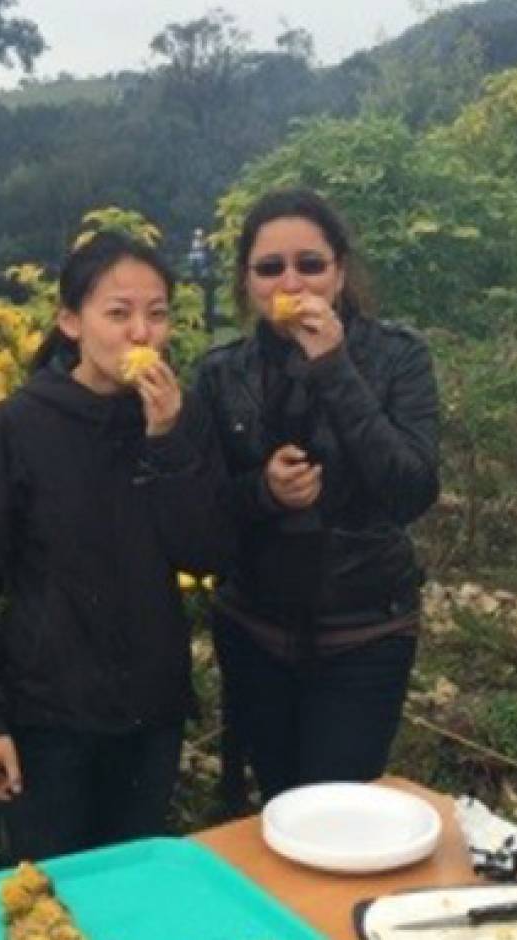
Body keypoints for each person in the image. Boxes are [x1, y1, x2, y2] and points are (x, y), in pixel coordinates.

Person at [0, 231, 231, 860]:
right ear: (71, 321)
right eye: (118, 312)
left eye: (157, 314)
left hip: (151, 714)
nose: (141, 334)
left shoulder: (181, 417)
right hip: (49, 719)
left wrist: (166, 441)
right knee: (54, 898)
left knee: (130, 892)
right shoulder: (16, 426)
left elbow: (204, 553)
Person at [194, 188, 440, 801]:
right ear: (247, 280)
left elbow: (410, 489)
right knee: (279, 804)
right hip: (254, 630)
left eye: (310, 264)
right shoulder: (222, 373)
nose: (291, 281)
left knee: (338, 808)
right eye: (270, 267)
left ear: (339, 271)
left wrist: (334, 366)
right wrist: (265, 492)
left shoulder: (397, 358)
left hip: (365, 629)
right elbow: (204, 506)